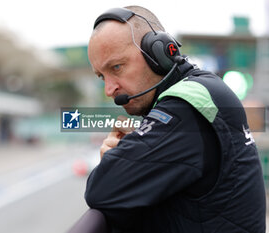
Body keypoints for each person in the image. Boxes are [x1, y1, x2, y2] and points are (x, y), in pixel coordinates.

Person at [84, 5, 266, 233]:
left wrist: (116, 160)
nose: (109, 89)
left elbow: (102, 189)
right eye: (102, 76)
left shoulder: (188, 104)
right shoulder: (204, 90)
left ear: (158, 52)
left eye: (117, 67)